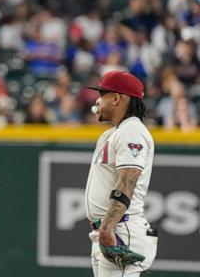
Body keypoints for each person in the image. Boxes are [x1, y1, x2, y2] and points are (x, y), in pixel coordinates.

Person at [84, 70, 157, 277]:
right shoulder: (116, 132)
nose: (98, 100)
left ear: (116, 98)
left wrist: (107, 228)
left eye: (102, 94)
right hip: (109, 230)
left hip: (120, 229)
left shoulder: (131, 131)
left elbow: (128, 178)